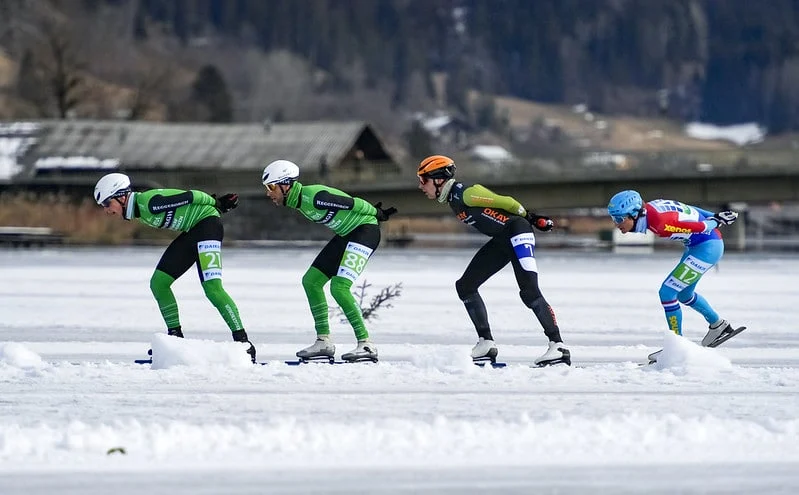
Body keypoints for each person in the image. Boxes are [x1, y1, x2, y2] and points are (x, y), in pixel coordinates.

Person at [416, 155, 570, 367]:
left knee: (529, 292)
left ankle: (558, 346)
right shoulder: (452, 198)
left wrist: (531, 218)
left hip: (517, 233)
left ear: (438, 179)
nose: (420, 186)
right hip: (501, 240)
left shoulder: (466, 193)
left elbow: (508, 202)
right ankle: (486, 343)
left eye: (423, 180)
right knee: (465, 286)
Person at [93, 172, 256, 362]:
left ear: (121, 197)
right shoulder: (140, 210)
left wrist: (216, 203)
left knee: (212, 288)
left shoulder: (149, 204)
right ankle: (175, 340)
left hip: (207, 227)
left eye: (107, 203)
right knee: (158, 283)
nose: (106, 210)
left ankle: (244, 342)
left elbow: (191, 196)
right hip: (193, 230)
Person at [261, 159, 397, 362]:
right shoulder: (299, 202)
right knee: (311, 281)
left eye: (271, 187)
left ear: (286, 185)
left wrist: (377, 213)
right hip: (346, 234)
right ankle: (323, 341)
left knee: (339, 287)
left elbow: (353, 203)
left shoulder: (315, 197)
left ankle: (366, 344)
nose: (268, 193)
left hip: (365, 231)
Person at [607, 190, 742, 359]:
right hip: (700, 246)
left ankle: (676, 346)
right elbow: (689, 209)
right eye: (613, 218)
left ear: (634, 214)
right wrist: (714, 215)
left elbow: (702, 227)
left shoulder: (660, 225)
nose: (616, 224)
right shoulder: (652, 208)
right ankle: (718, 325)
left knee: (667, 292)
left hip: (707, 248)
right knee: (684, 294)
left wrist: (715, 220)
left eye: (619, 219)